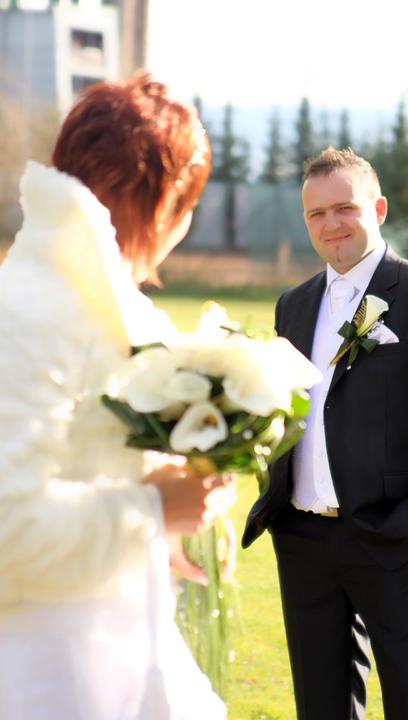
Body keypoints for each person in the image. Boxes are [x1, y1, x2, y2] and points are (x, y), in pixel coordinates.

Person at [0, 74, 233, 719]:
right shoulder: (33, 309)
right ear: (165, 203)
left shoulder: (103, 306)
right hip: (44, 671)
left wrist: (174, 515)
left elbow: (83, 454)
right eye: (187, 205)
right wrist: (152, 510)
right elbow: (8, 531)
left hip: (115, 638)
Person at [242, 147, 408, 720]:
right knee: (320, 708)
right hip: (303, 542)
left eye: (344, 208)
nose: (331, 224)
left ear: (378, 208)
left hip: (395, 539)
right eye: (316, 213)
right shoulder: (293, 305)